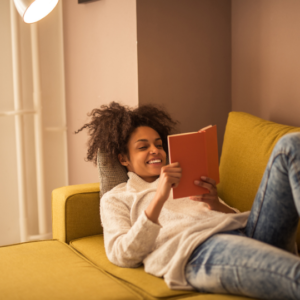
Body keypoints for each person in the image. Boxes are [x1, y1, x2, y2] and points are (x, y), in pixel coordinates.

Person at [76, 102, 300, 300]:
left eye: (158, 145)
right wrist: (160, 197)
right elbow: (121, 254)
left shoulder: (187, 178)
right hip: (198, 249)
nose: (155, 150)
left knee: (291, 145)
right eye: (143, 147)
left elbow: (232, 219)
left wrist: (216, 204)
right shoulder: (116, 197)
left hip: (247, 231)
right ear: (124, 158)